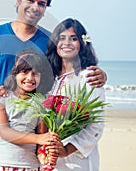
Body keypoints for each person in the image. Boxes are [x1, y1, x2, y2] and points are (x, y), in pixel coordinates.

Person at [0, 0, 107, 171]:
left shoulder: (50, 42)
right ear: (18, 0)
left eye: (41, 4)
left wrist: (100, 74)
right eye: (30, 0)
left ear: (45, 9)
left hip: (35, 131)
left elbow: (67, 72)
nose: (35, 7)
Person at [46, 18, 106, 170]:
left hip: (76, 160)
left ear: (82, 43)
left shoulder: (89, 77)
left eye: (73, 38)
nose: (67, 43)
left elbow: (95, 126)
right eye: (62, 38)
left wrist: (66, 150)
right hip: (49, 157)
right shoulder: (50, 78)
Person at [0, 49, 60, 171]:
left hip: (29, 166)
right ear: (15, 74)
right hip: (1, 164)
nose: (30, 78)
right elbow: (4, 132)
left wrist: (45, 159)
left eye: (35, 73)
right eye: (24, 72)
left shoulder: (43, 102)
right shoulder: (1, 98)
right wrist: (39, 138)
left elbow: (40, 140)